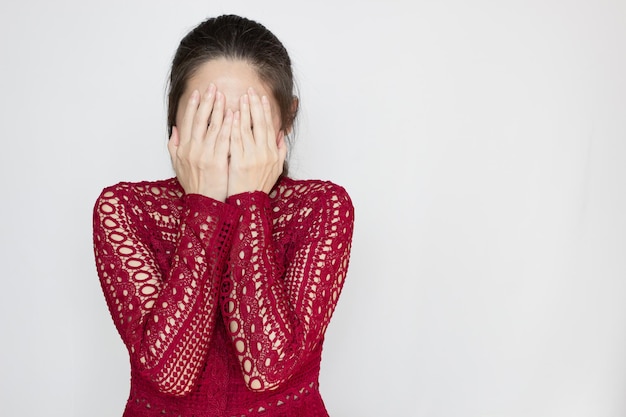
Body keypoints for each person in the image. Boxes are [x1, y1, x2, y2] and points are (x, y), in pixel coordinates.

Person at [92, 14, 354, 417]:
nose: (226, 141)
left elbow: (267, 367)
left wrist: (249, 201)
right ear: (175, 119)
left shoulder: (322, 208)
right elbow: (169, 374)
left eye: (248, 121)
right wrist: (206, 204)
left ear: (286, 119)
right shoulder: (125, 210)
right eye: (208, 119)